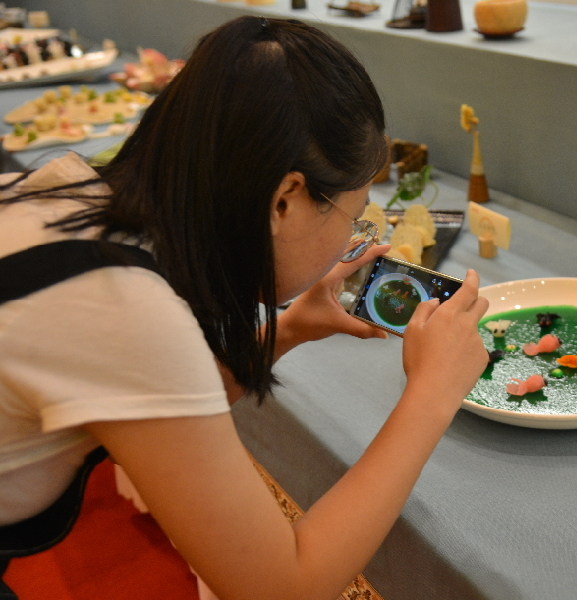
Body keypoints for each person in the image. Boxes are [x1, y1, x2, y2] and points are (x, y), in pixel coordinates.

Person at [0, 16, 489, 600]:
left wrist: (287, 329)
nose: (349, 241)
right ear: (284, 200)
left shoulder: (69, 191)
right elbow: (283, 586)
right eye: (351, 217)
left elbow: (160, 403)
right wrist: (431, 394)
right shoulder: (122, 308)